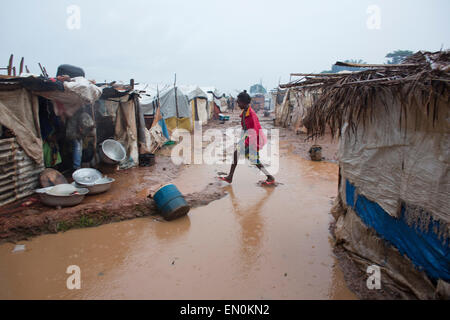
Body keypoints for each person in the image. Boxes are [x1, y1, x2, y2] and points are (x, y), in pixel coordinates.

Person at [219, 90, 275, 185]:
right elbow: (245, 128)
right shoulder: (245, 112)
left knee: (252, 159)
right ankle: (230, 177)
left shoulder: (251, 114)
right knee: (242, 156)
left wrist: (247, 143)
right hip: (248, 138)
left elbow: (255, 131)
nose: (237, 104)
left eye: (238, 102)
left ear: (244, 103)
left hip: (254, 139)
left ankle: (270, 177)